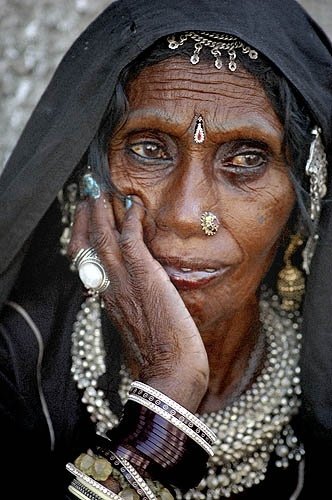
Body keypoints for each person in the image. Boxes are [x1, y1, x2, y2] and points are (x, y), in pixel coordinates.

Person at [0, 0, 331, 498]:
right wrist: (166, 394)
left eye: (246, 158)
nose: (186, 214)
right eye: (149, 149)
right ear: (87, 180)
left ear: (306, 194)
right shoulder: (16, 366)